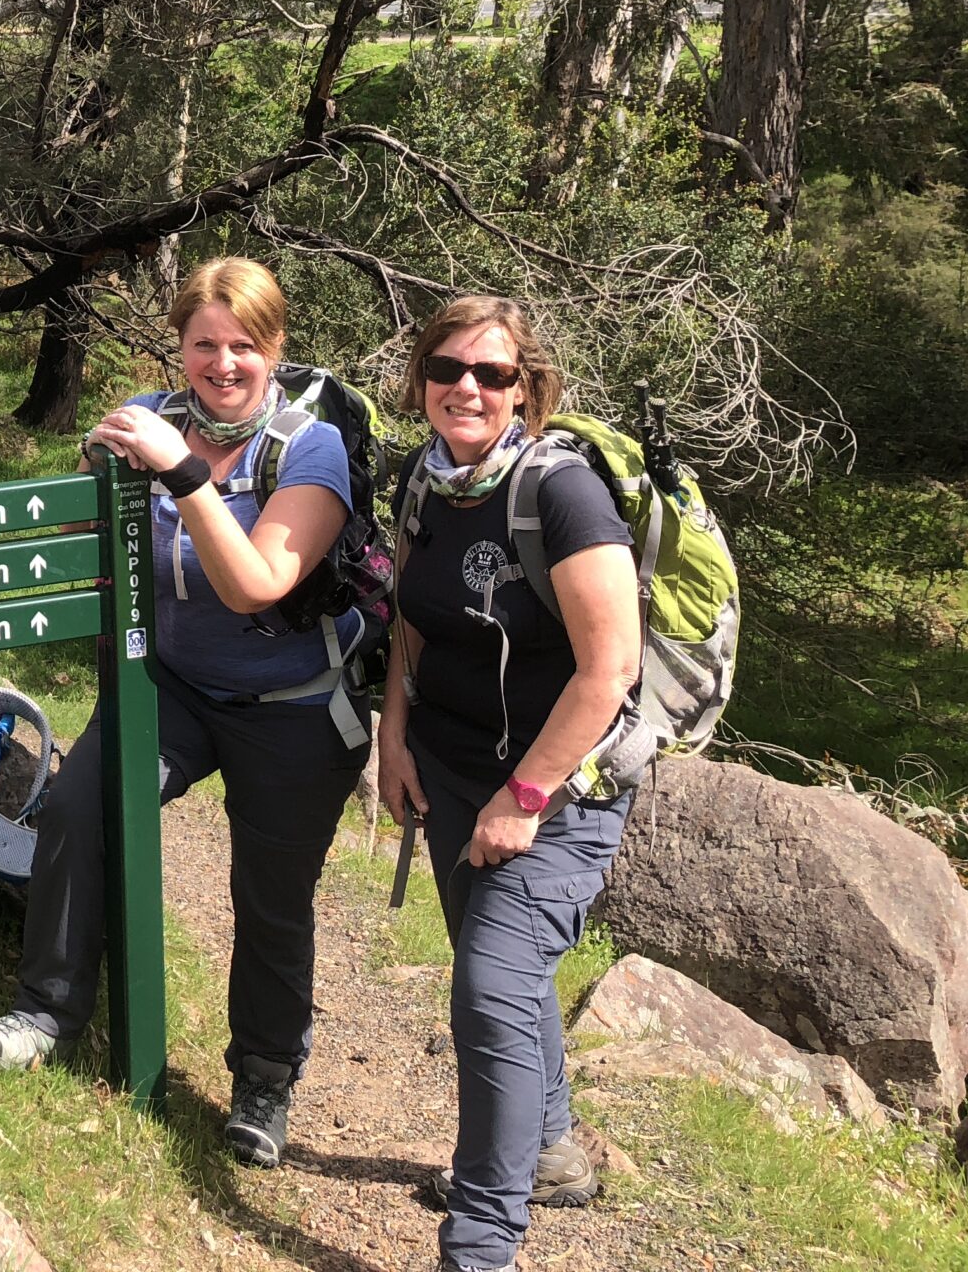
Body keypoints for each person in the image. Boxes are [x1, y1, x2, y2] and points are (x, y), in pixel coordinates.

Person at [0, 258, 369, 1169]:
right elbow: (87, 547)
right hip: (174, 691)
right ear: (178, 345)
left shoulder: (309, 450)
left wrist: (180, 470)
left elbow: (257, 584)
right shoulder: (151, 416)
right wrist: (99, 472)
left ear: (276, 350)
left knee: (270, 896)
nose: (223, 365)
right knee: (79, 806)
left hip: (292, 706)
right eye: (204, 345)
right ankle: (49, 1010)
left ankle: (264, 1080)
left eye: (244, 347)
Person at [377, 298, 639, 1272]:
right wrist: (392, 736)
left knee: (487, 992)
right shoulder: (422, 481)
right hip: (446, 767)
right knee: (508, 979)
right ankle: (554, 1152)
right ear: (421, 379)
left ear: (524, 386)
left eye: (491, 375)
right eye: (447, 369)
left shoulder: (559, 495)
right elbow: (410, 615)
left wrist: (522, 798)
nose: (466, 389)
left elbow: (607, 671)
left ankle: (478, 1247)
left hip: (562, 788)